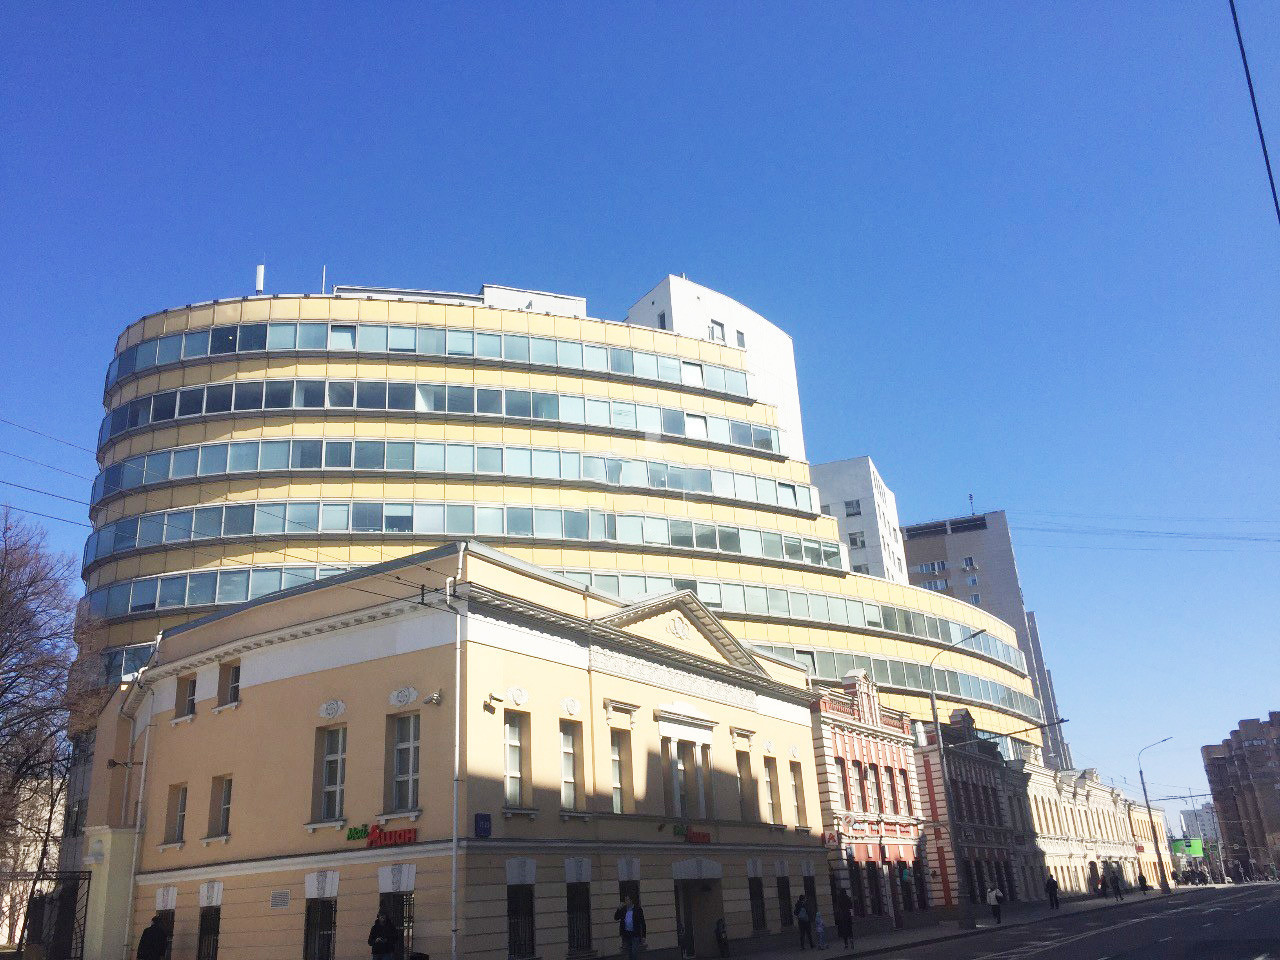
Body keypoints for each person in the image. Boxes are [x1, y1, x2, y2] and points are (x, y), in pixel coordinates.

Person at [615, 896, 647, 960]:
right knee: (629, 952)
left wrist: (643, 936)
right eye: (625, 900)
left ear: (631, 901)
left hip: (635, 934)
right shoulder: (623, 909)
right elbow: (616, 918)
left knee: (634, 952)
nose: (626, 902)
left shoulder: (637, 909)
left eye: (627, 900)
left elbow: (642, 923)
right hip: (627, 934)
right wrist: (618, 909)